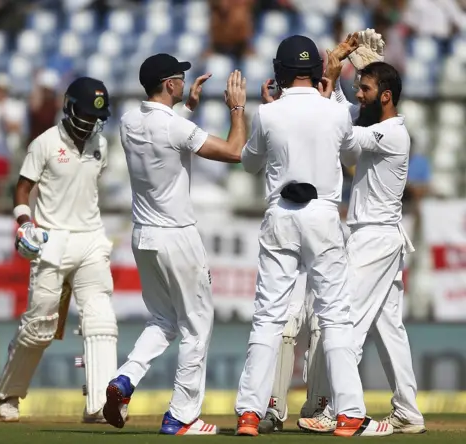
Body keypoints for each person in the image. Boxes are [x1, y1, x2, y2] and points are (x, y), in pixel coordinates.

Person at [232, 35, 393, 437]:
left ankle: (249, 414)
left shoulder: (268, 115)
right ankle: (350, 414)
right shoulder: (334, 113)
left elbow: (249, 164)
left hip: (280, 215)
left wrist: (260, 113)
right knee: (336, 315)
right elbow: (352, 155)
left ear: (279, 73)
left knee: (269, 316)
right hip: (322, 215)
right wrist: (335, 96)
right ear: (317, 73)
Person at [102, 53, 248, 436]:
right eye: (179, 79)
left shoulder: (129, 122)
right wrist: (237, 108)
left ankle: (125, 379)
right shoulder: (177, 127)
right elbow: (234, 151)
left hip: (143, 237)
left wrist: (185, 107)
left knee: (163, 320)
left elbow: (163, 128)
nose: (184, 81)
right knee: (197, 327)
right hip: (177, 235)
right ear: (168, 85)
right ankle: (181, 416)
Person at [297, 30, 426, 435]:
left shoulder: (392, 133)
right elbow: (349, 139)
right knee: (389, 330)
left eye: (365, 88)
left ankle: (338, 410)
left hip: (374, 239)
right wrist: (359, 73)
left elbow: (344, 139)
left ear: (386, 96)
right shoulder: (382, 129)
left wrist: (332, 85)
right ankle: (408, 411)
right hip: (378, 237)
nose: (359, 95)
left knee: (344, 320)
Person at [0, 76, 120, 424]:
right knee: (40, 327)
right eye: (85, 114)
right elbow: (21, 190)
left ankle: (98, 403)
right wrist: (26, 223)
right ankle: (9, 395)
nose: (91, 122)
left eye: (97, 117)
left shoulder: (102, 144)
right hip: (52, 240)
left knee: (101, 317)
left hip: (91, 237)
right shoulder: (45, 143)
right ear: (69, 108)